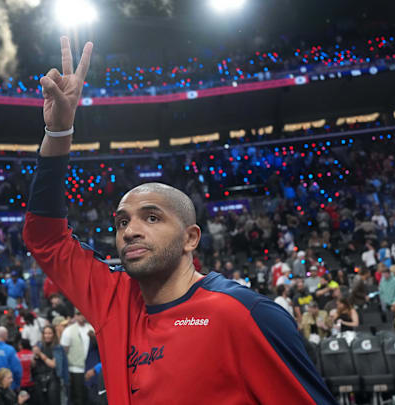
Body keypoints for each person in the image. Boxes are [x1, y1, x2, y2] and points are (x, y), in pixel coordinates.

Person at [22, 36, 334, 405]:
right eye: (122, 222)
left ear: (191, 238)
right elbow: (45, 238)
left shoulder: (244, 314)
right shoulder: (113, 299)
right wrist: (58, 133)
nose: (130, 230)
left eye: (151, 217)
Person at [60, 309, 95, 405]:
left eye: (83, 314)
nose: (81, 316)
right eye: (78, 314)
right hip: (75, 369)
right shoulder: (69, 331)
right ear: (75, 316)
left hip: (90, 368)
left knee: (90, 397)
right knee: (77, 397)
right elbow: (64, 351)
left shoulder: (91, 328)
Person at [32, 325, 65, 405]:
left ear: (53, 334)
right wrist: (34, 356)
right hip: (39, 379)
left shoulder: (57, 347)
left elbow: (53, 364)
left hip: (53, 379)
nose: (47, 335)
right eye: (45, 333)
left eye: (50, 333)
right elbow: (33, 364)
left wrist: (40, 354)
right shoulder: (39, 345)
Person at [0, 327, 22, 391]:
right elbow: (17, 370)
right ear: (6, 335)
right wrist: (17, 384)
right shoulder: (10, 350)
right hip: (7, 388)